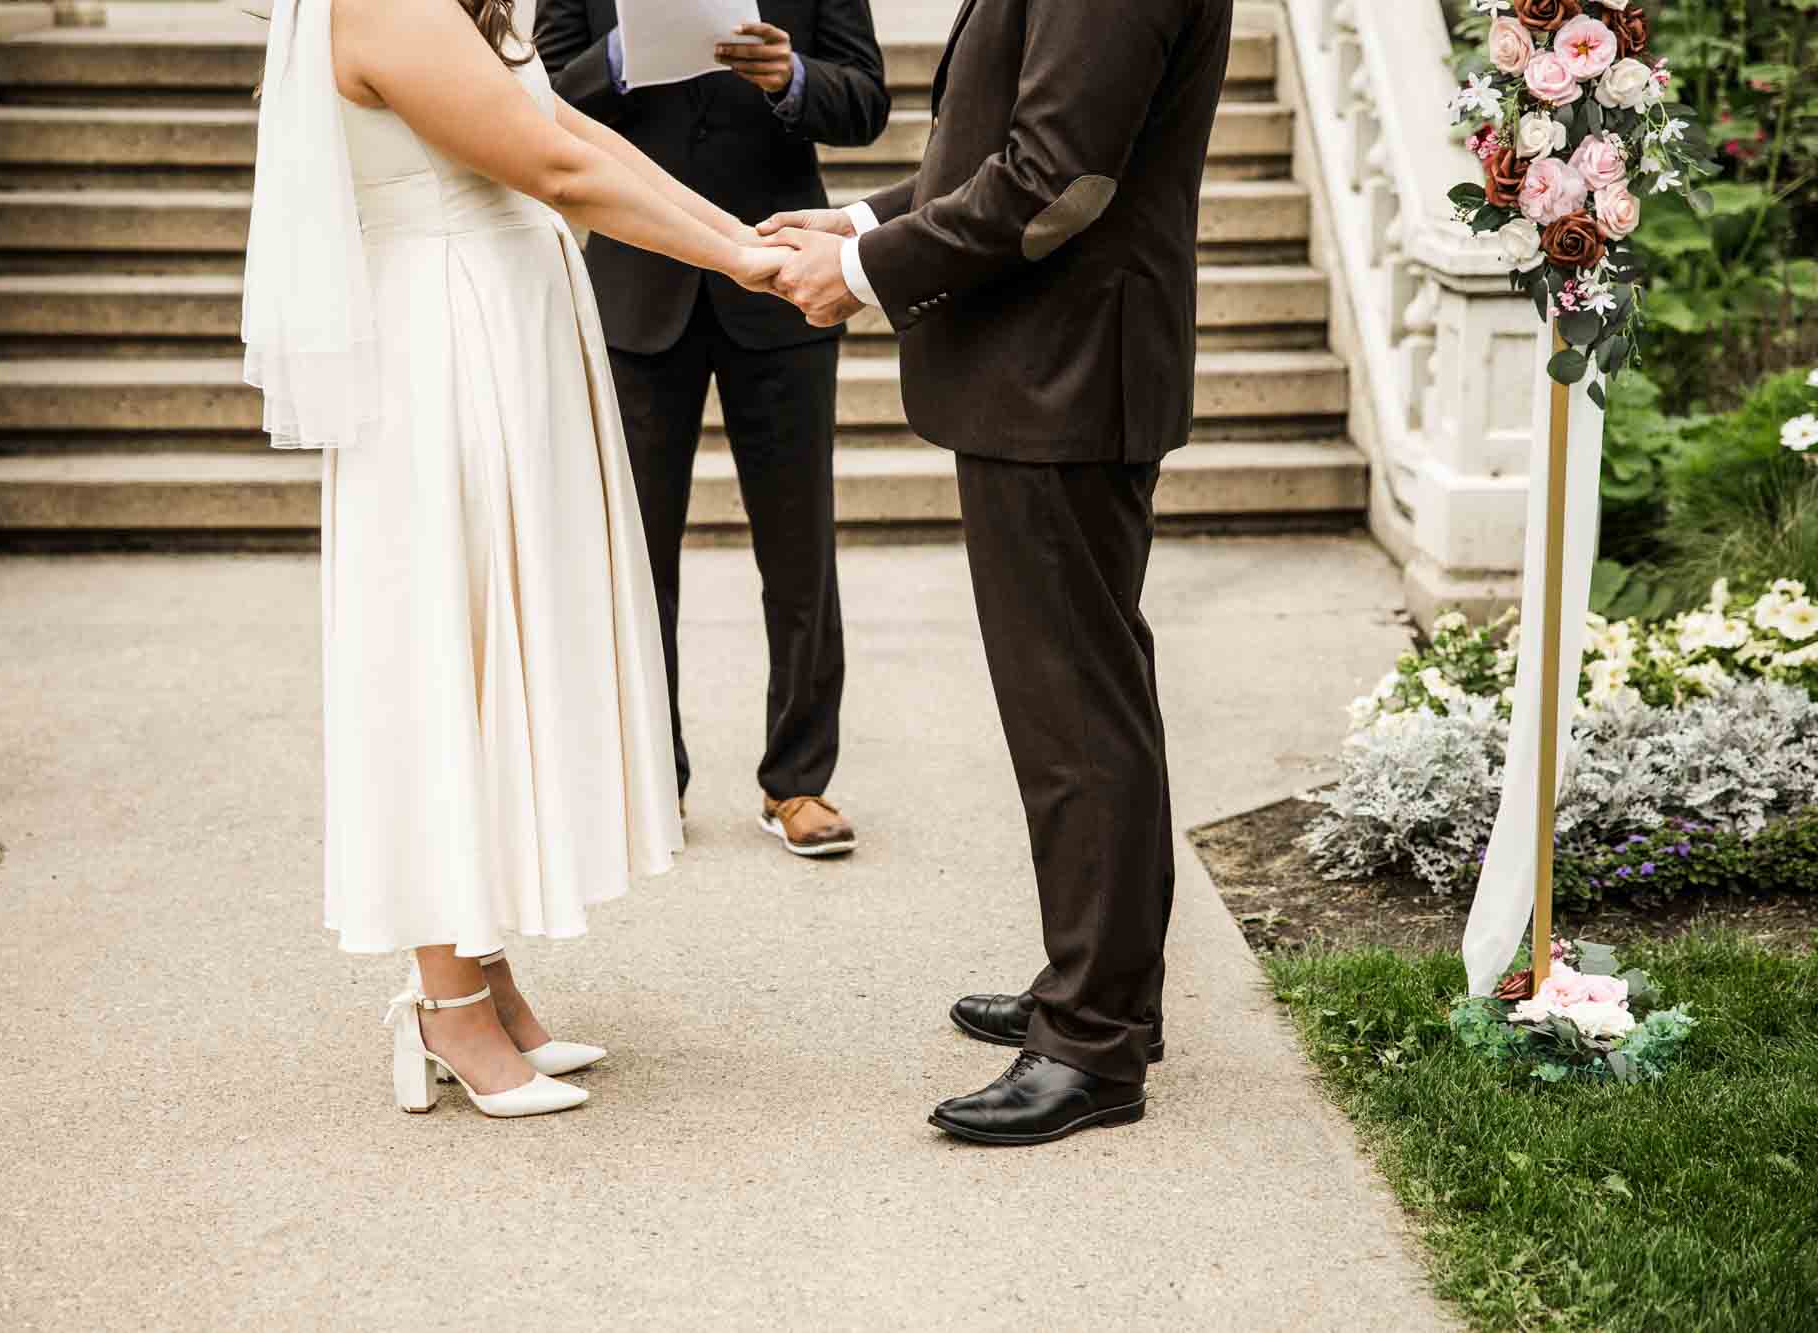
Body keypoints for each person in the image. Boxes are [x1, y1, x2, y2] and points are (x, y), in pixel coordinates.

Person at [243, 0, 786, 1119]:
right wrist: (741, 260)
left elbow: (586, 139)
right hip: (441, 357)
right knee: (448, 649)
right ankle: (442, 1001)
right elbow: (552, 165)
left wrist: (745, 235)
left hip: (495, 333)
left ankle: (483, 972)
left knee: (494, 654)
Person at [761, 0, 1237, 1145]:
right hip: (1052, 372)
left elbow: (1054, 181)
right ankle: (1101, 987)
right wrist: (862, 214)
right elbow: (1009, 139)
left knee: (1076, 715)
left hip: (1065, 377)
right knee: (1085, 703)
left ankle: (1092, 1044)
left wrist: (868, 270)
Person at [534, 0, 889, 858]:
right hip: (636, 285)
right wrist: (622, 57)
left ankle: (799, 780)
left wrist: (792, 79)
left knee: (800, 547)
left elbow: (867, 101)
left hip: (781, 277)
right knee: (637, 551)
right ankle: (651, 776)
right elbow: (536, 98)